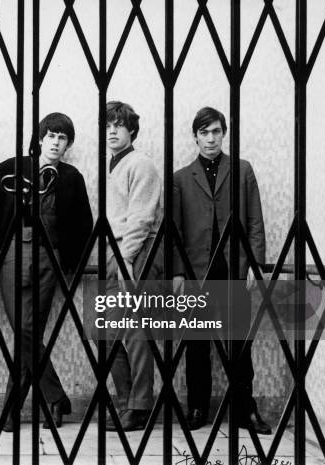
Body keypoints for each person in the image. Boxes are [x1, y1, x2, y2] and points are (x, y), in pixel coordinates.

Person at [0, 112, 93, 431]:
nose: (56, 143)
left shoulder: (71, 177)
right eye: (52, 136)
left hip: (51, 259)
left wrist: (73, 263)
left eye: (63, 138)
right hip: (13, 252)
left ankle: (13, 412)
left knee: (30, 334)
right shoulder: (11, 169)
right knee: (25, 329)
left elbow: (84, 225)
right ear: (40, 139)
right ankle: (55, 396)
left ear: (68, 144)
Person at [172, 106, 271, 434]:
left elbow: (255, 222)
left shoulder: (242, 170)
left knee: (239, 344)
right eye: (204, 132)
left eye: (216, 131)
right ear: (195, 136)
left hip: (233, 270)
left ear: (224, 133)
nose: (210, 138)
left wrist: (255, 266)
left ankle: (246, 409)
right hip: (196, 272)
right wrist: (178, 273)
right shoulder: (181, 178)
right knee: (196, 344)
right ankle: (197, 407)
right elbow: (175, 231)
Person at [102, 101, 162, 431]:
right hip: (116, 252)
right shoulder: (114, 165)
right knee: (109, 331)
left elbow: (142, 217)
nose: (112, 131)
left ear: (132, 131)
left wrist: (126, 258)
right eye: (108, 125)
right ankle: (127, 402)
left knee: (136, 330)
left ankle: (140, 406)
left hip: (136, 253)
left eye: (118, 125)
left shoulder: (141, 164)